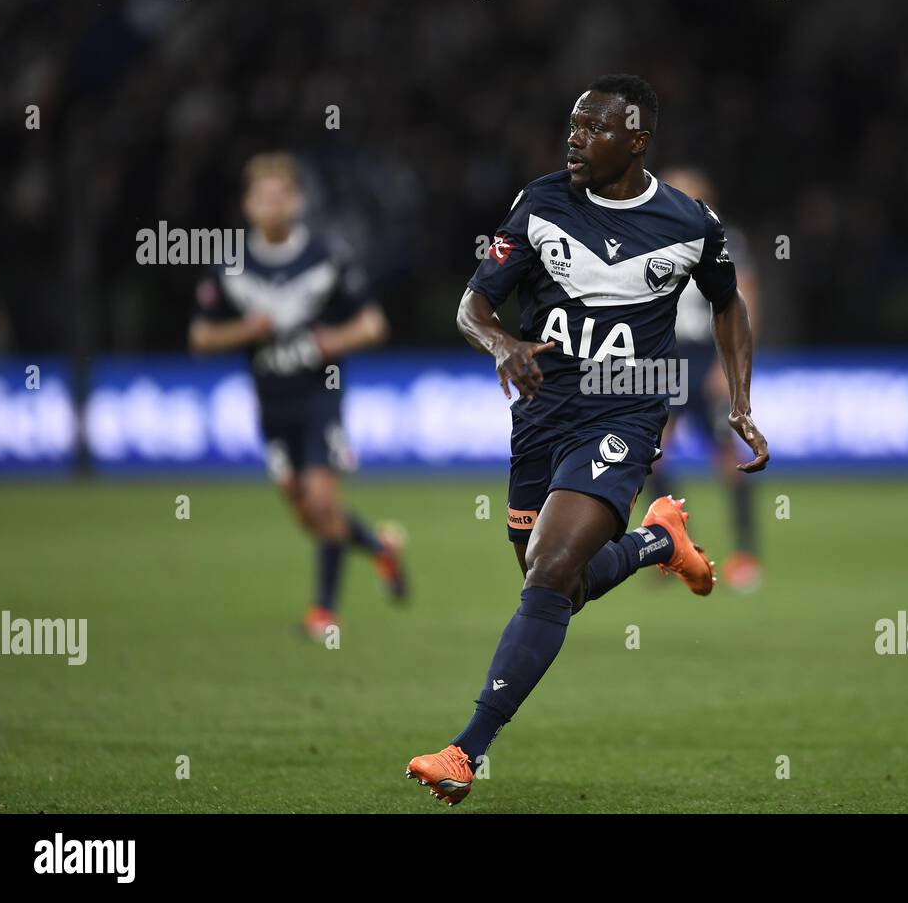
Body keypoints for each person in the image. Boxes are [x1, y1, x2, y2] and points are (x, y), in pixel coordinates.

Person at [405, 76, 768, 805]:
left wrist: (740, 400)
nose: (575, 138)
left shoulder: (691, 223)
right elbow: (473, 304)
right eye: (573, 124)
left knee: (547, 570)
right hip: (542, 412)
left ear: (636, 142)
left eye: (594, 128)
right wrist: (501, 341)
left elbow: (727, 305)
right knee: (557, 584)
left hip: (626, 410)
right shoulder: (540, 203)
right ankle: (658, 543)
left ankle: (465, 751)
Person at [189, 152, 407, 639]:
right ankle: (380, 547)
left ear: (298, 201)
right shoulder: (231, 266)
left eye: (281, 194)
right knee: (310, 513)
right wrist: (246, 330)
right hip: (271, 405)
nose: (273, 204)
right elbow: (200, 338)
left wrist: (335, 340)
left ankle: (323, 613)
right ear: (248, 206)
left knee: (322, 496)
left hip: (320, 396)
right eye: (263, 196)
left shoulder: (327, 255)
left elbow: (374, 324)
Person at [649, 167, 763, 591]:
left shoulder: (727, 240)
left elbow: (745, 298)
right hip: (665, 357)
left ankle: (746, 555)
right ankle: (667, 548)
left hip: (707, 354)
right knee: (652, 453)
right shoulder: (649, 235)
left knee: (727, 460)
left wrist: (730, 363)